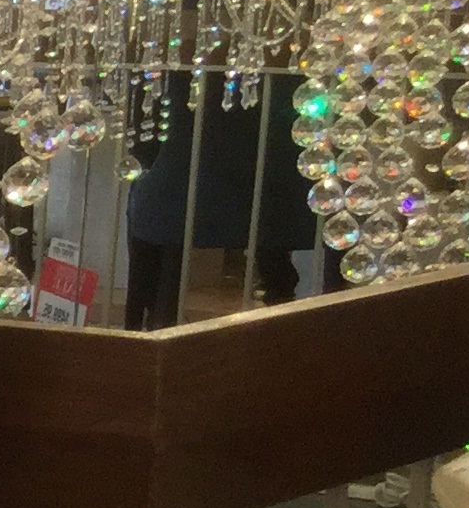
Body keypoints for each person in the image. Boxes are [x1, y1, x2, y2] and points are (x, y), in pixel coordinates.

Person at [123, 71, 322, 326]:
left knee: (151, 198)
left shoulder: (182, 60)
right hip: (283, 188)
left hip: (182, 185)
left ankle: (153, 320)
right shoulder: (297, 66)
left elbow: (142, 140)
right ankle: (281, 306)